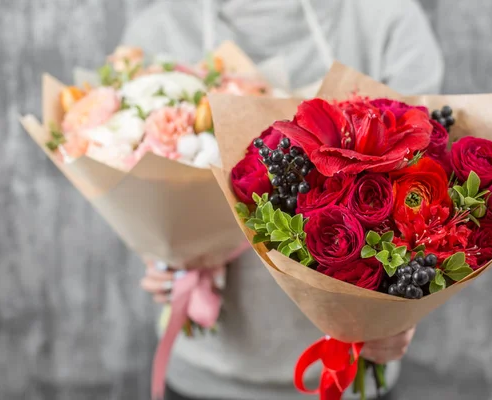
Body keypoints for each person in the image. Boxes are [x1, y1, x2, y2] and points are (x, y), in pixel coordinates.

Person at [125, 1, 444, 399]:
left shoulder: (385, 20)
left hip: (346, 374)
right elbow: (141, 189)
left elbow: (429, 190)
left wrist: (400, 310)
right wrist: (164, 256)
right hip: (203, 375)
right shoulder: (161, 30)